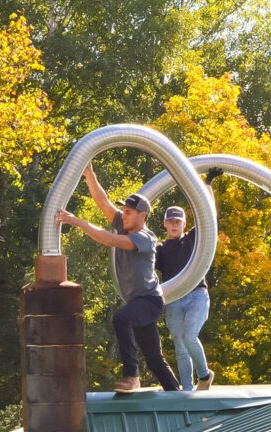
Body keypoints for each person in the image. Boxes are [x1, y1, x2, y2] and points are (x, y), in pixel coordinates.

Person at [55, 164, 180, 393]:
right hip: (137, 302)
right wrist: (90, 174)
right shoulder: (124, 226)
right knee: (154, 359)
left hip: (149, 301)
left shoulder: (144, 238)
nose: (123, 214)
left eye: (129, 212)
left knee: (121, 318)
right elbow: (103, 202)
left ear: (142, 216)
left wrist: (76, 221)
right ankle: (177, 393)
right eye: (123, 211)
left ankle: (131, 376)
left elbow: (109, 240)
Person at [156, 168, 221, 391]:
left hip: (196, 295)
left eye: (178, 221)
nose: (174, 225)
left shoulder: (193, 239)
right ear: (165, 224)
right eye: (170, 221)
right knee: (180, 345)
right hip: (174, 299)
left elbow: (209, 215)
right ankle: (186, 390)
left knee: (189, 335)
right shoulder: (160, 249)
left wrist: (208, 183)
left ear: (184, 224)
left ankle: (204, 375)